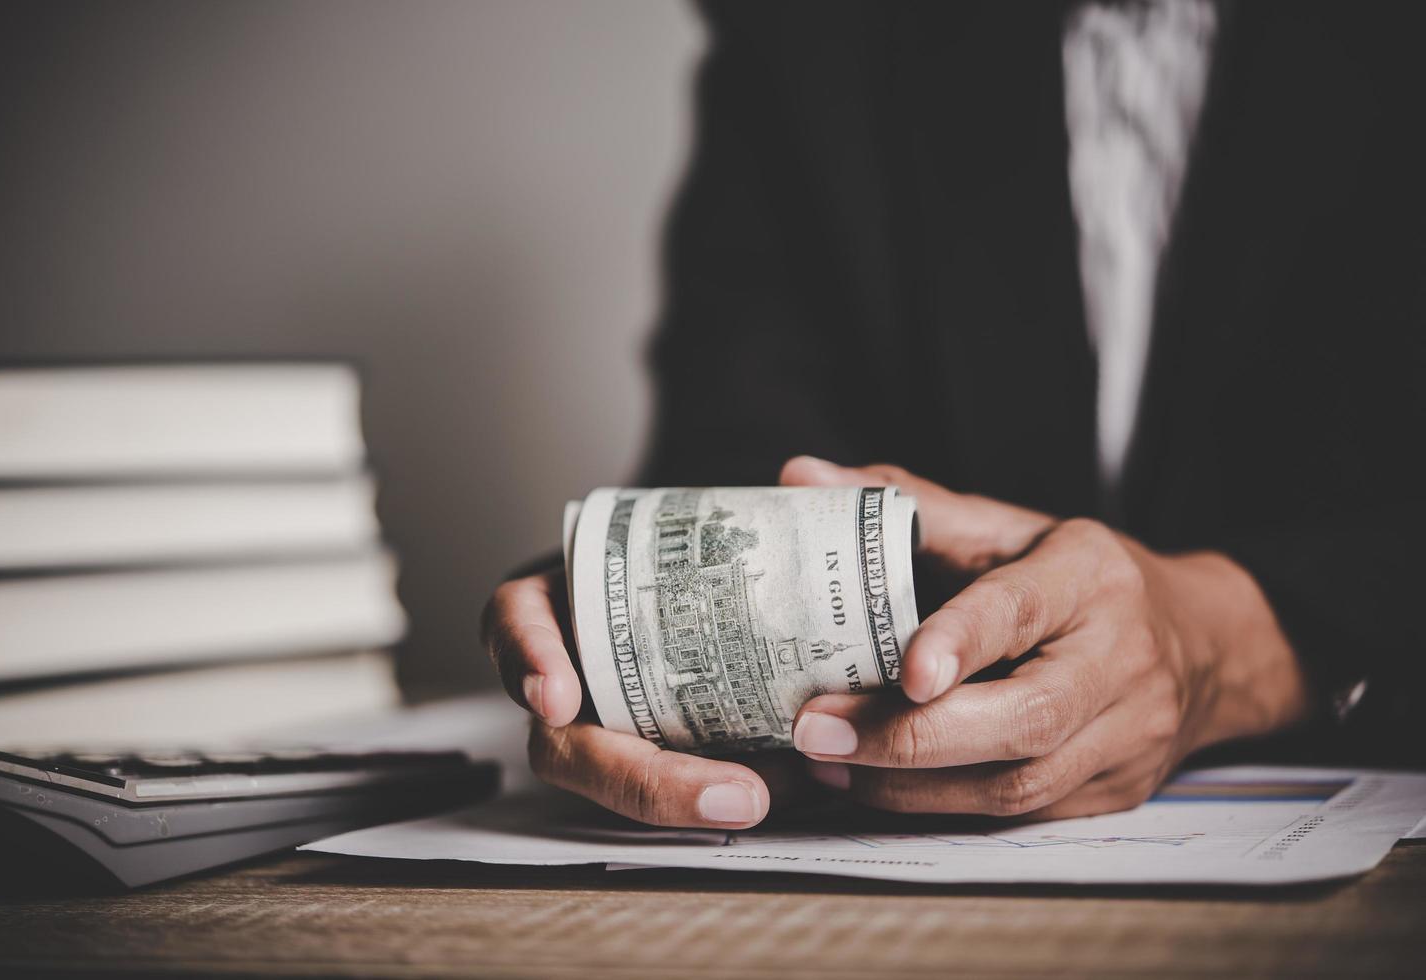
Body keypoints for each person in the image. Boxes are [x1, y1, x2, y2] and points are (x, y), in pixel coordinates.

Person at [480, 1, 1424, 830]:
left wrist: (1223, 641)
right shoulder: (811, 33)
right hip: (886, 827)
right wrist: (616, 621)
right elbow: (743, 450)